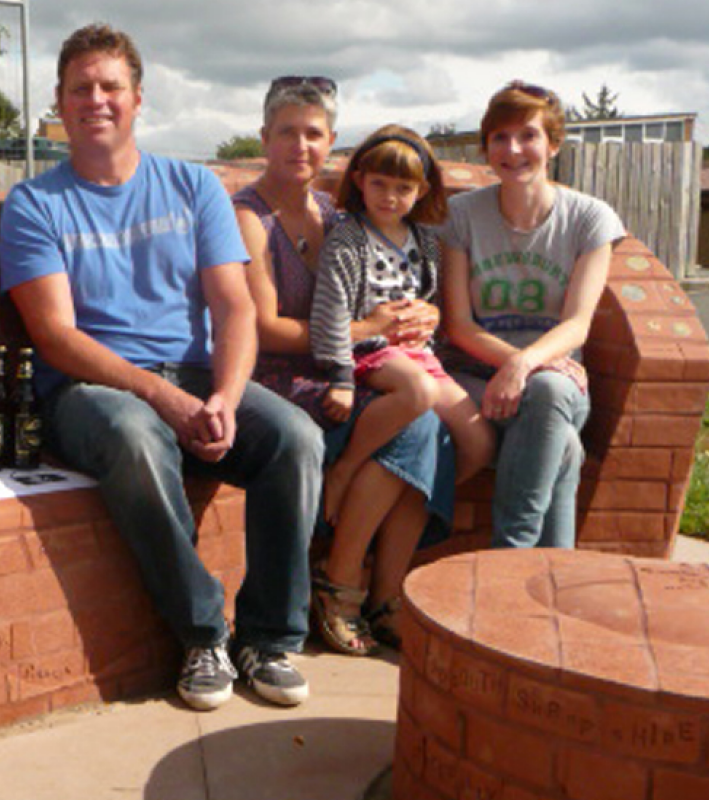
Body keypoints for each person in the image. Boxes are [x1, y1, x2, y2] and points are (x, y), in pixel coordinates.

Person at [0, 24, 325, 711]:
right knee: (135, 434)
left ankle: (268, 637)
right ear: (59, 103)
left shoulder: (193, 187)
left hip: (197, 373)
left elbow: (234, 308)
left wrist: (229, 399)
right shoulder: (34, 204)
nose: (97, 100)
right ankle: (203, 632)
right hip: (92, 391)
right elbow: (56, 337)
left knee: (295, 437)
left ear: (137, 98)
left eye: (110, 86)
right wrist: (162, 399)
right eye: (80, 88)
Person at [234, 83, 457, 656]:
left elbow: (391, 276)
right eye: (287, 131)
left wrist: (421, 311)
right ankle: (343, 584)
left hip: (341, 367)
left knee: (431, 423)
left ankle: (379, 593)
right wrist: (368, 330)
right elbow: (262, 329)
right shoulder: (249, 219)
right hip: (277, 379)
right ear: (265, 139)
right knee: (421, 424)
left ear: (332, 144)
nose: (300, 145)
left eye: (314, 134)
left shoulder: (335, 213)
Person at [439, 80, 625, 549]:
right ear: (486, 148)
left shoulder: (589, 219)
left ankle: (511, 551)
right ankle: (548, 582)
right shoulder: (460, 216)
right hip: (474, 377)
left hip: (556, 380)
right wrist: (508, 363)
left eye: (528, 136)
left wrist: (522, 364)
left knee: (546, 390)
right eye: (499, 137)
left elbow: (577, 324)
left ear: (554, 144)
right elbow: (458, 325)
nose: (513, 149)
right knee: (563, 445)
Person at [310, 125, 494, 522]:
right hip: (367, 353)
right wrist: (340, 377)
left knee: (478, 442)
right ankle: (345, 470)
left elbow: (428, 302)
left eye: (403, 188)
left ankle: (415, 495)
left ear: (422, 191)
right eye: (379, 184)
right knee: (418, 391)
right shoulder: (348, 239)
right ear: (359, 181)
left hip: (417, 355)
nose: (389, 197)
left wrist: (432, 319)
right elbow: (330, 309)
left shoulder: (425, 241)